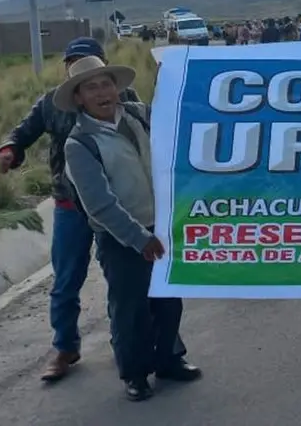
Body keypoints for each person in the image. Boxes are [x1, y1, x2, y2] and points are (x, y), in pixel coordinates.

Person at [0, 37, 141, 382]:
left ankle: (128, 349)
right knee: (66, 279)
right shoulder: (50, 104)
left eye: (89, 62)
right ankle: (65, 347)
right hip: (70, 205)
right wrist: (9, 150)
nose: (81, 68)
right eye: (74, 61)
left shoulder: (127, 100)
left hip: (117, 205)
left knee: (123, 280)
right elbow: (22, 132)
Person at [56, 56, 201, 401]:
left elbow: (184, 123)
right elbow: (100, 204)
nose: (102, 92)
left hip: (161, 226)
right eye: (91, 87)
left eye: (106, 83)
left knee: (168, 302)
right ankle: (135, 373)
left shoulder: (139, 114)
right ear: (79, 98)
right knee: (130, 308)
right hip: (121, 238)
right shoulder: (79, 145)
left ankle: (168, 359)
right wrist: (139, 239)